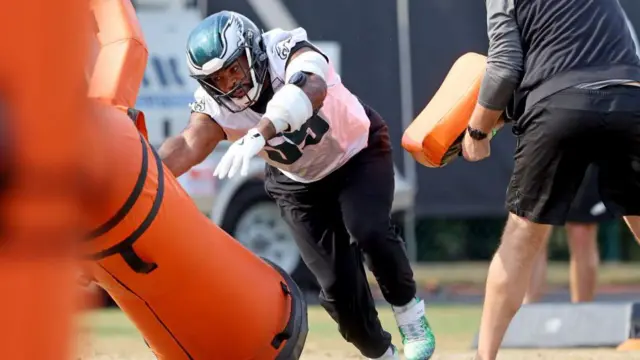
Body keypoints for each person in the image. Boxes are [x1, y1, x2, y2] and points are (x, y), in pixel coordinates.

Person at [157, 10, 435, 360]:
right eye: (219, 79)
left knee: (369, 229)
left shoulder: (282, 49)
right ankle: (384, 354)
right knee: (337, 292)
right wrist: (144, 173)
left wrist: (262, 131)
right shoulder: (217, 105)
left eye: (234, 68)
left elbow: (311, 88)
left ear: (253, 51)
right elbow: (187, 144)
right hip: (298, 182)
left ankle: (411, 318)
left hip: (356, 152)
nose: (232, 84)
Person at [459, 0, 640, 359]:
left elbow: (505, 67)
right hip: (630, 99)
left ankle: (485, 356)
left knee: (521, 237)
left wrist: (477, 130)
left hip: (561, 107)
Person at [524, 165, 612, 304]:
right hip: (541, 148)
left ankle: (582, 313)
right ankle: (527, 311)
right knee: (534, 230)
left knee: (582, 230)